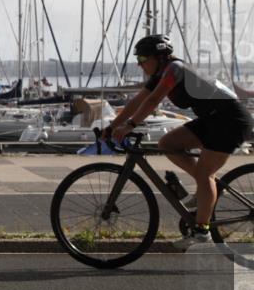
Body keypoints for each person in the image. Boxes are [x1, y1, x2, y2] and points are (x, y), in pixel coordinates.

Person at [106, 34, 253, 248]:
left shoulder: (175, 69)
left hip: (231, 119)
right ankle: (204, 191)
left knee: (204, 173)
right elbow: (137, 100)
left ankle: (202, 233)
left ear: (159, 56)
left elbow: (154, 100)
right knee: (167, 144)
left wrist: (129, 126)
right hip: (212, 118)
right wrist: (111, 126)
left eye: (142, 59)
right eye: (137, 60)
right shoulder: (161, 73)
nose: (140, 65)